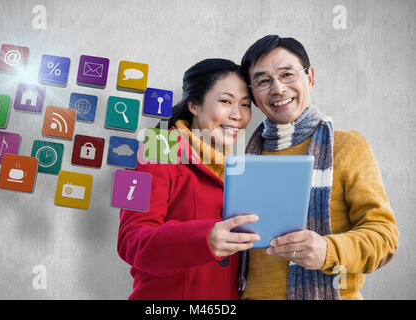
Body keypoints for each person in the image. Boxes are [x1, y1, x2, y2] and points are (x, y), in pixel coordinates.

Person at [238, 35, 399, 300]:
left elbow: (384, 238)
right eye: (263, 81)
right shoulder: (244, 157)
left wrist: (328, 250)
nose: (278, 88)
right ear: (254, 96)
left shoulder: (347, 146)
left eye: (287, 74)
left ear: (309, 77)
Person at [117, 58, 260, 300]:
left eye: (245, 105)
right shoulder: (153, 148)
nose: (237, 115)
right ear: (194, 105)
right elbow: (129, 240)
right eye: (225, 101)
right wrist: (202, 238)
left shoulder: (240, 166)